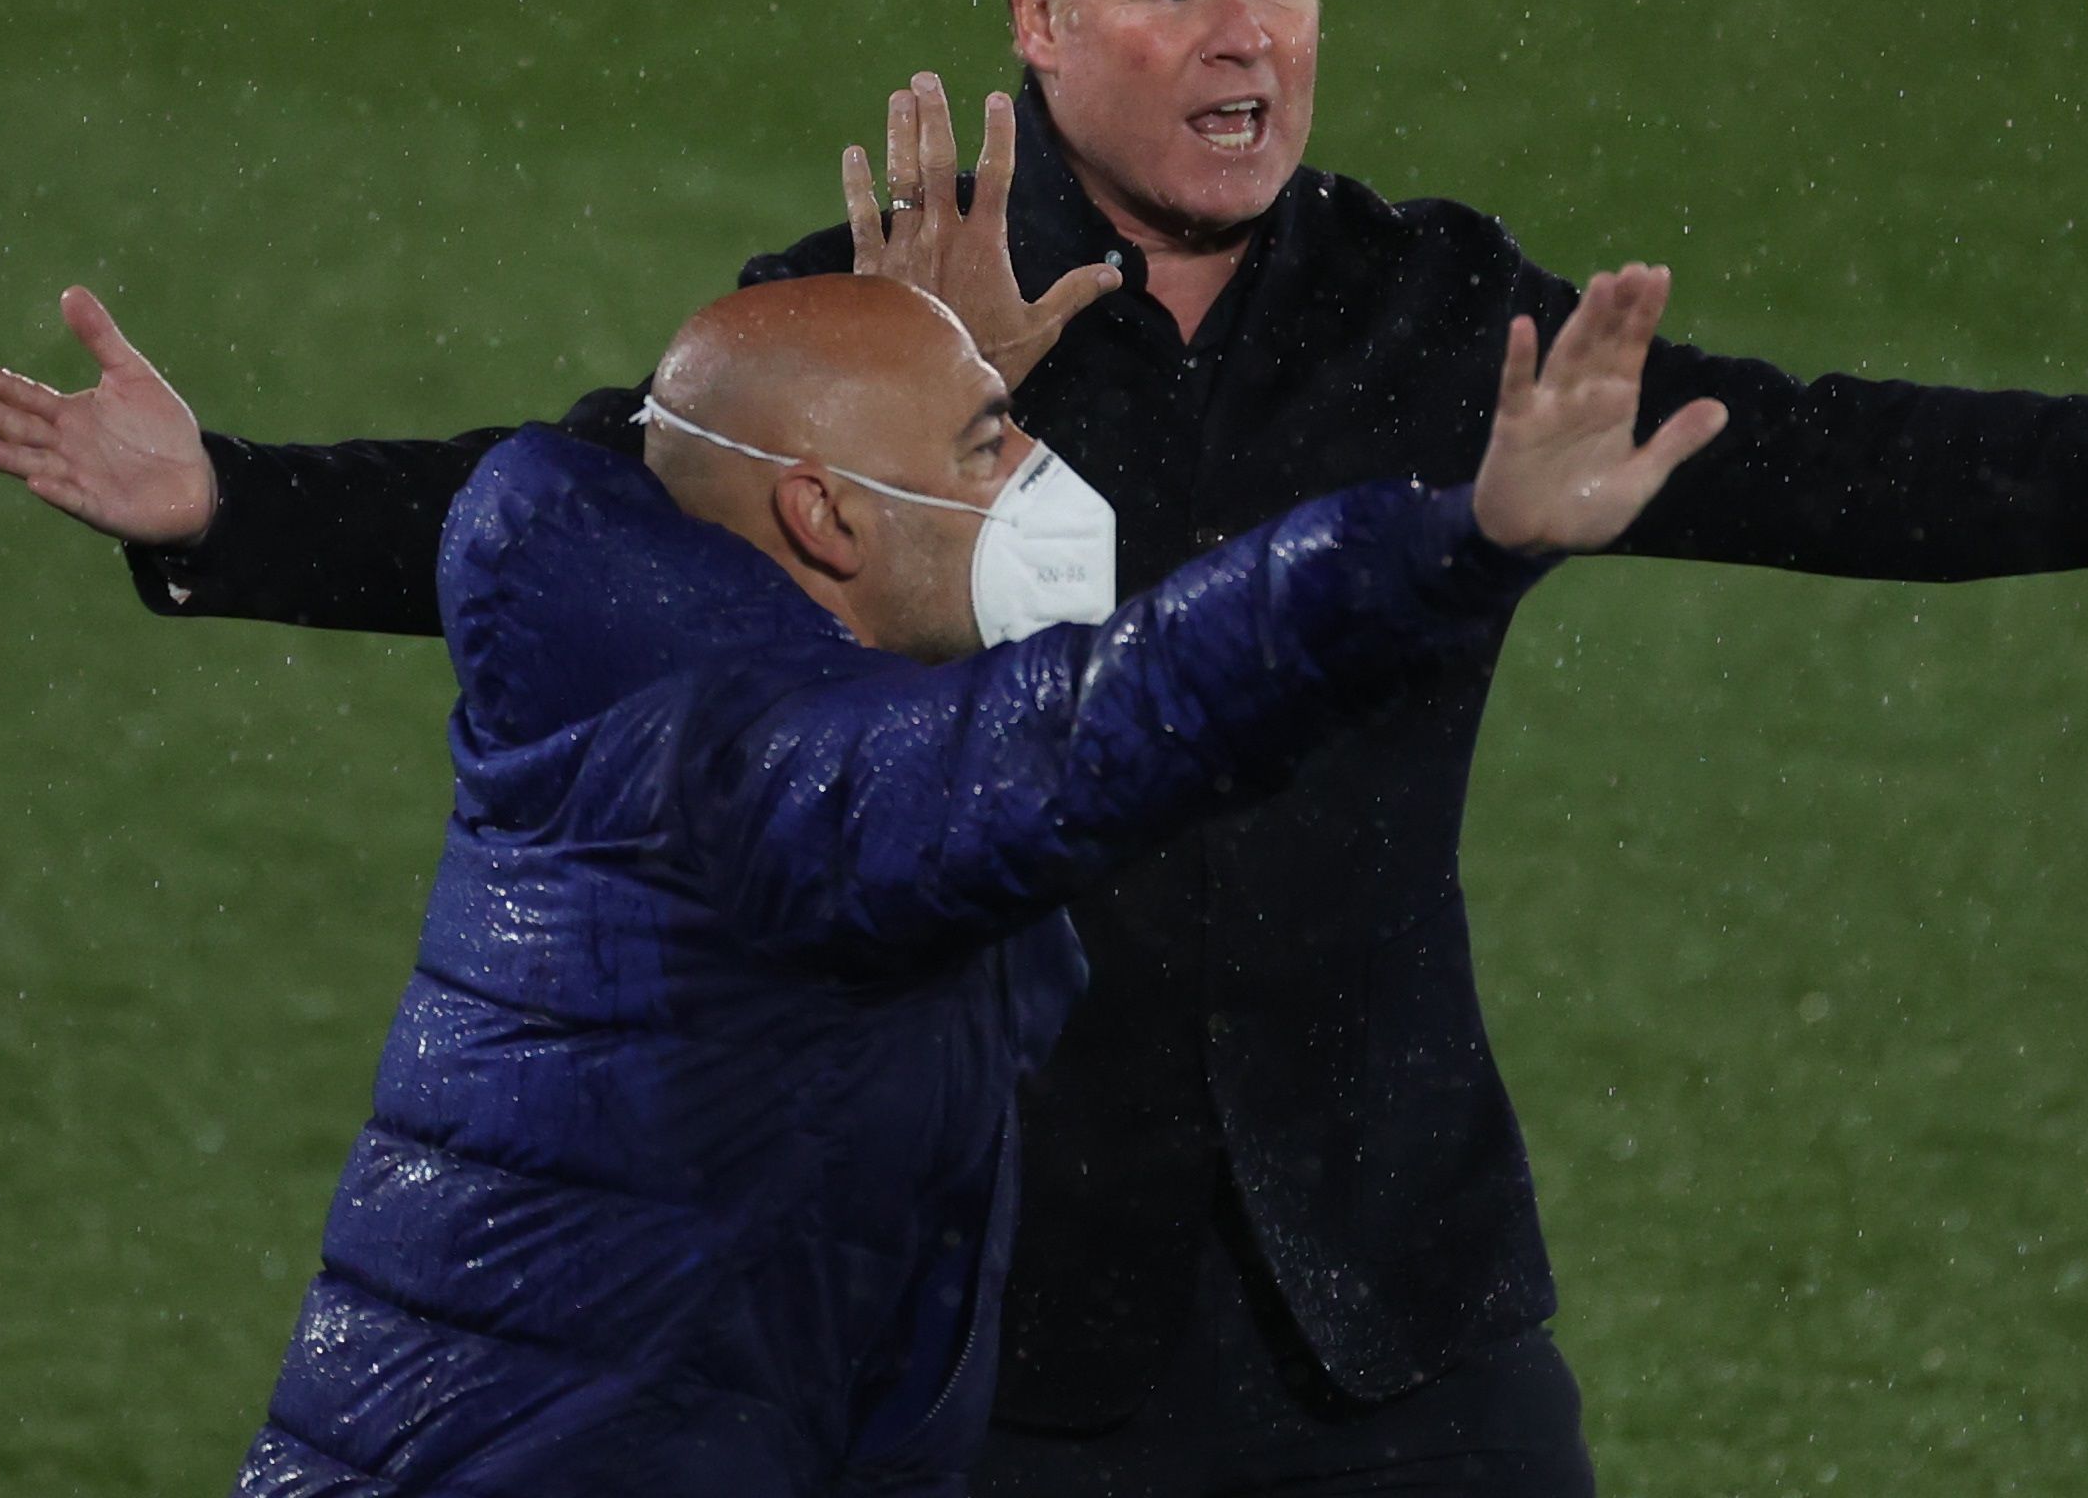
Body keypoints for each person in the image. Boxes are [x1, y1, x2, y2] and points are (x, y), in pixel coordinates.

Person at [0, 0, 2088, 1492]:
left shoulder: (1442, 317)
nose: (1249, 43)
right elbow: (587, 510)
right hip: (1004, 1303)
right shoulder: (890, 319)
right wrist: (227, 505)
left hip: (1389, 1288)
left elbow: (1831, 456)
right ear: (1039, 18)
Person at [238, 264, 1723, 1497]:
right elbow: (1108, 726)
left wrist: (914, 378)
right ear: (824, 518)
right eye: (988, 441)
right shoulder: (785, 786)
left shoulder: (624, 645)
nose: (1042, 478)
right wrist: (1449, 543)